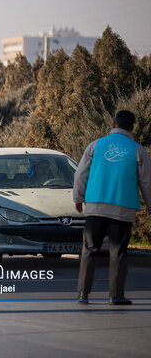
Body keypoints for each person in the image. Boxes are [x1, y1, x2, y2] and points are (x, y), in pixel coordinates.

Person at [73, 110, 151, 305]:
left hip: (95, 206)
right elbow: (147, 183)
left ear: (113, 123)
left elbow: (80, 174)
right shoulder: (138, 151)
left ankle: (83, 294)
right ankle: (115, 296)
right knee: (118, 252)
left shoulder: (95, 146)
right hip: (122, 209)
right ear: (133, 127)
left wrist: (78, 197)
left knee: (89, 249)